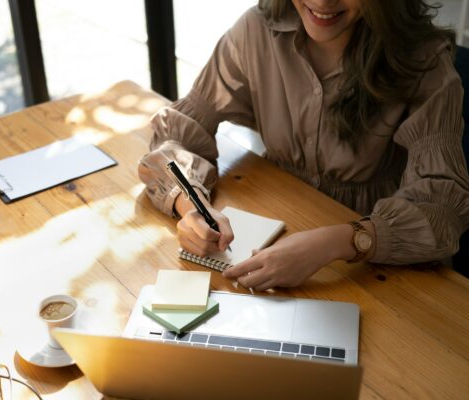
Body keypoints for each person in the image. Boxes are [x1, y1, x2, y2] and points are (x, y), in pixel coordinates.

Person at [138, 0, 469, 291]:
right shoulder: (255, 31)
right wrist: (190, 205)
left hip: (386, 268)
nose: (323, 1)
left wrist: (339, 241)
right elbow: (177, 134)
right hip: (278, 231)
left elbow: (443, 210)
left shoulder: (424, 61)